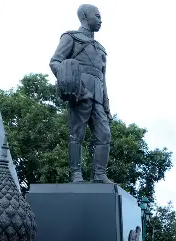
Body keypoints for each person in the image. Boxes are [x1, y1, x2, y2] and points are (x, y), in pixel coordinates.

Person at [50, 4, 112, 184]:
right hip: (80, 93)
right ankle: (76, 174)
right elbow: (55, 62)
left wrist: (107, 106)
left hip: (98, 97)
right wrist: (71, 83)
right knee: (76, 135)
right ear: (85, 16)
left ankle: (100, 175)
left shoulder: (100, 48)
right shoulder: (71, 37)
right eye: (97, 16)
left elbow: (103, 79)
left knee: (104, 135)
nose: (101, 20)